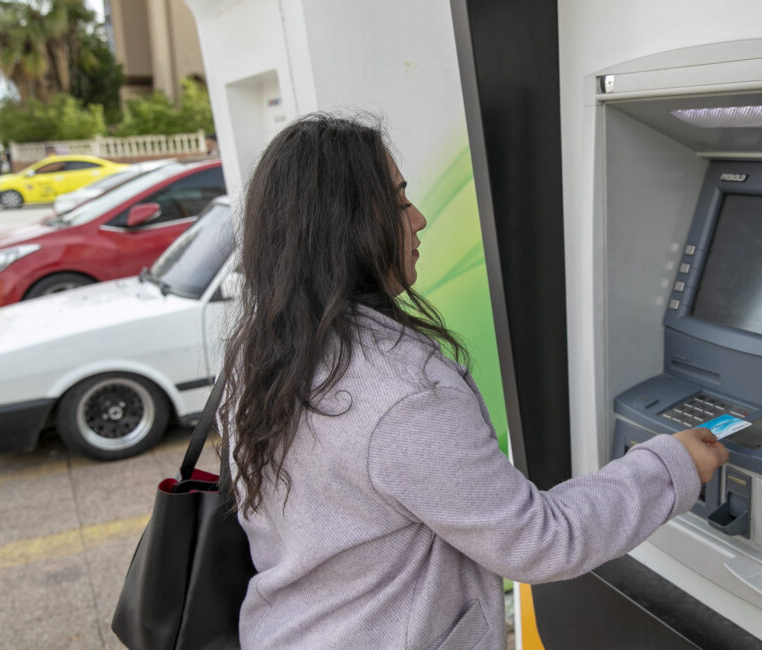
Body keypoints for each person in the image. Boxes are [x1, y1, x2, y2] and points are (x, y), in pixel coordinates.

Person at [219, 112, 730, 649]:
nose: (418, 219)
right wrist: (671, 467)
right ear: (344, 227)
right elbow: (540, 540)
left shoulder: (262, 351)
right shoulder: (401, 396)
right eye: (397, 203)